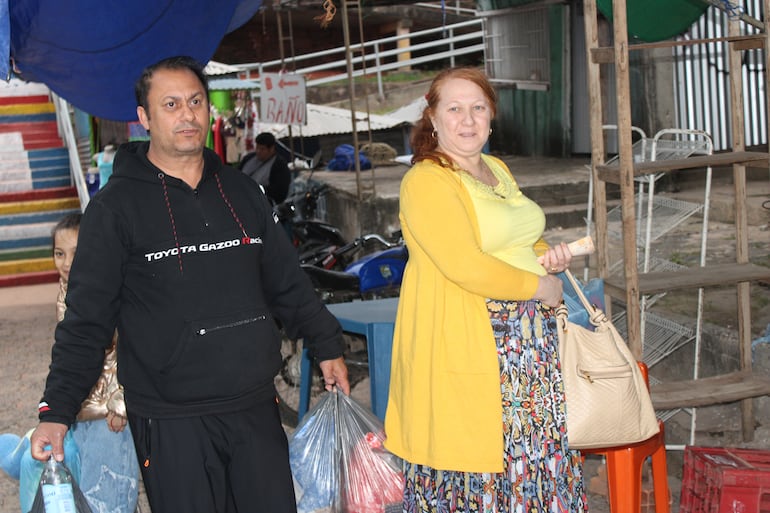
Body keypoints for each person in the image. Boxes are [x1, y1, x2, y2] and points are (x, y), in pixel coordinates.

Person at [29, 55, 350, 513]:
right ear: (144, 118)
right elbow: (86, 322)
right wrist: (56, 412)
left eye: (196, 101)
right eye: (171, 104)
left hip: (253, 404)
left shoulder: (241, 192)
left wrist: (327, 341)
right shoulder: (115, 209)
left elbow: (286, 281)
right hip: (169, 418)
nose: (188, 115)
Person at [383, 67, 587, 512]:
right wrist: (539, 286)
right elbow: (464, 264)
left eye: (478, 108)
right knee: (480, 471)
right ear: (432, 118)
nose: (468, 119)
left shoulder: (495, 168)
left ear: (492, 117)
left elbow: (517, 236)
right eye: (454, 109)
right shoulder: (426, 181)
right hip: (473, 341)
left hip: (528, 349)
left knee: (534, 462)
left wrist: (546, 256)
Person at [19, 213, 140, 513]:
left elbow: (127, 350)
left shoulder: (107, 293)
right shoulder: (65, 292)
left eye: (77, 251)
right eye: (60, 253)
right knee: (91, 490)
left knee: (109, 495)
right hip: (82, 412)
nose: (66, 262)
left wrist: (121, 403)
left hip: (109, 417)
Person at [239, 131, 291, 204]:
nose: (258, 151)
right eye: (257, 148)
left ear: (271, 149)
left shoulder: (279, 166)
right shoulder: (248, 159)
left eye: (262, 149)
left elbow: (280, 193)